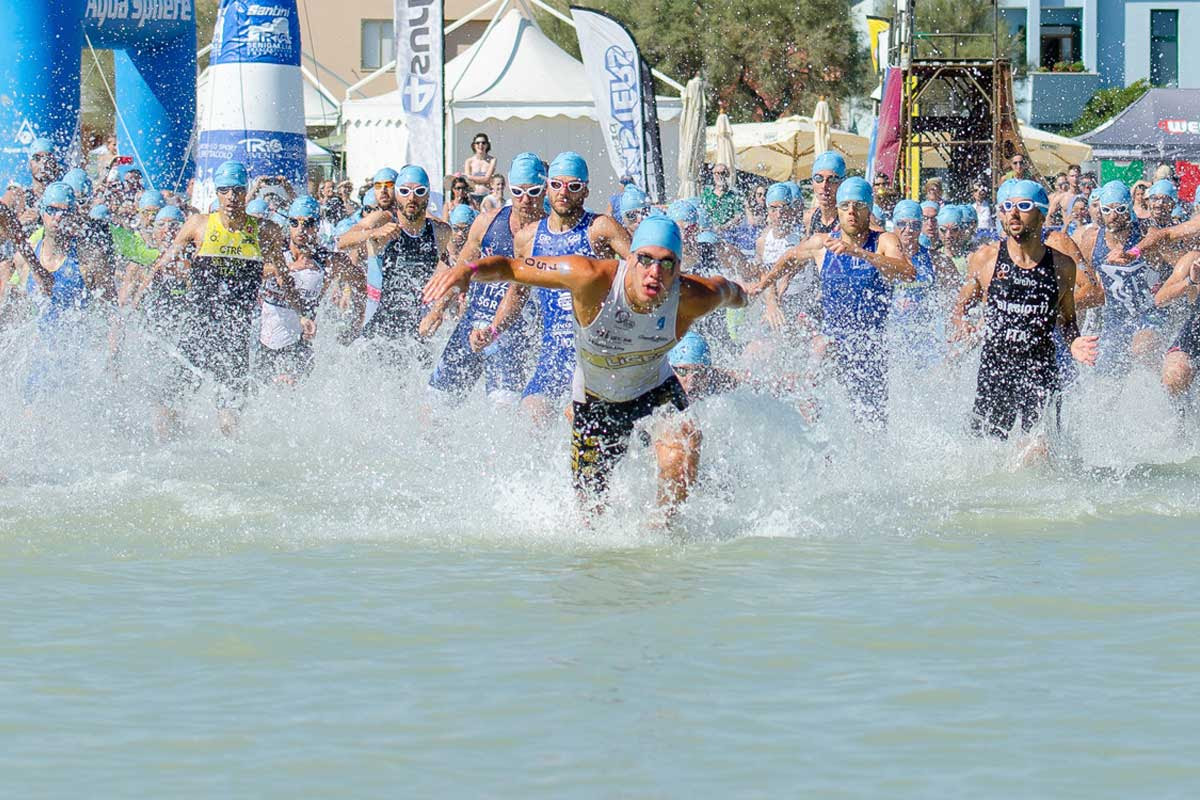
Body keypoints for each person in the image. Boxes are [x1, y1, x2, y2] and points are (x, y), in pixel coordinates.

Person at [423, 214, 749, 514]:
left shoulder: (695, 296)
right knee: (591, 514)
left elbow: (732, 291)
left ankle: (662, 534)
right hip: (596, 399)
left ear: (679, 269)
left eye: (667, 264)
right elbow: (512, 267)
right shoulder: (590, 277)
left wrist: (749, 294)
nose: (654, 273)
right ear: (629, 258)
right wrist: (469, 270)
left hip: (655, 388)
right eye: (645, 260)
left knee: (684, 447)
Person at [142, 160, 314, 437]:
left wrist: (303, 313)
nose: (232, 198)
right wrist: (136, 303)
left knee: (230, 415)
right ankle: (167, 452)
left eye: (237, 191)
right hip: (197, 331)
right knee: (169, 404)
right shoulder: (198, 224)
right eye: (225, 191)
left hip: (235, 334)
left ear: (246, 192)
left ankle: (230, 467)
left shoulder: (264, 231)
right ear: (217, 193)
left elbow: (283, 278)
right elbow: (161, 266)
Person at [751, 177, 916, 427]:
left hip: (869, 348)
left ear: (869, 208)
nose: (851, 212)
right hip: (833, 342)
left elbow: (907, 272)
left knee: (871, 423)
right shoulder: (822, 243)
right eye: (845, 206)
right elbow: (788, 259)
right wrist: (762, 286)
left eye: (858, 206)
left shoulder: (884, 241)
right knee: (819, 374)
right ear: (837, 209)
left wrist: (858, 252)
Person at [482, 152, 631, 422]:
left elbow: (641, 271)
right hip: (552, 359)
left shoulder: (600, 229)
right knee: (532, 416)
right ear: (547, 187)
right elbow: (517, 293)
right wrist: (493, 330)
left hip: (596, 357)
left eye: (573, 186)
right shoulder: (528, 238)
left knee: (579, 423)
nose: (564, 193)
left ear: (585, 190)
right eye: (557, 185)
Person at [950, 180, 1098, 442]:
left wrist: (1074, 341)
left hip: (1040, 369)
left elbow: (1067, 319)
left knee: (1041, 448)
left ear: (1041, 215)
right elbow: (962, 306)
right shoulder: (986, 258)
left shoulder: (1062, 265)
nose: (1013, 213)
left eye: (1024, 206)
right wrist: (962, 323)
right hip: (996, 369)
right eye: (1007, 207)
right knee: (986, 449)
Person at [427, 153, 548, 404]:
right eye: (518, 191)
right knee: (435, 405)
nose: (525, 200)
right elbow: (459, 273)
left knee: (503, 412)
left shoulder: (552, 232)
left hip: (516, 334)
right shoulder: (486, 222)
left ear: (545, 189)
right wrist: (437, 310)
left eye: (534, 191)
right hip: (472, 322)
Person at [257, 196, 364, 385]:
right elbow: (250, 272)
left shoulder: (329, 261)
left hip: (299, 346)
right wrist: (282, 269)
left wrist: (355, 324)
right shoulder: (273, 252)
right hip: (262, 344)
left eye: (308, 223)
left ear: (318, 225)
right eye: (294, 223)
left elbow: (361, 284)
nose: (301, 230)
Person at [356, 165, 453, 365]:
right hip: (378, 325)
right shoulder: (383, 220)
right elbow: (343, 241)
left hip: (415, 326)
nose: (411, 198)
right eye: (405, 191)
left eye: (419, 192)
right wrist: (372, 234)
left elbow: (451, 275)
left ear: (427, 195)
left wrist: (438, 310)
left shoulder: (440, 231)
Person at [1073, 181, 1164, 372]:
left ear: (1129, 208)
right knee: (1104, 373)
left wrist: (1134, 252)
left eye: (1120, 209)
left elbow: (1157, 237)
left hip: (1149, 313)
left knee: (1141, 349)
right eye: (1106, 210)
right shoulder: (1092, 239)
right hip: (1115, 319)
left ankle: (1160, 391)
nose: (1113, 216)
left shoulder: (1145, 230)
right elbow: (1084, 285)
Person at [804, 151, 844, 236]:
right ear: (812, 182)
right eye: (819, 178)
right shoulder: (809, 218)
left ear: (842, 183)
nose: (824, 185)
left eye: (832, 179)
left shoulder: (852, 217)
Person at [700, 164, 744, 230]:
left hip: (728, 232)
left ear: (727, 175)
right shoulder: (707, 193)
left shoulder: (734, 195)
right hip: (709, 231)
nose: (719, 176)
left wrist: (724, 227)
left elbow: (738, 216)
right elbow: (700, 212)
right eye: (716, 173)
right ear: (713, 175)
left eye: (722, 173)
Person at [463, 133, 496, 203]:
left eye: (483, 143)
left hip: (487, 195)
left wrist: (471, 177)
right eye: (478, 143)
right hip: (472, 196)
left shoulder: (492, 160)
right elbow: (467, 180)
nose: (480, 145)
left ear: (487, 145)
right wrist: (483, 179)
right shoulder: (469, 161)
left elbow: (487, 179)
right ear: (474, 145)